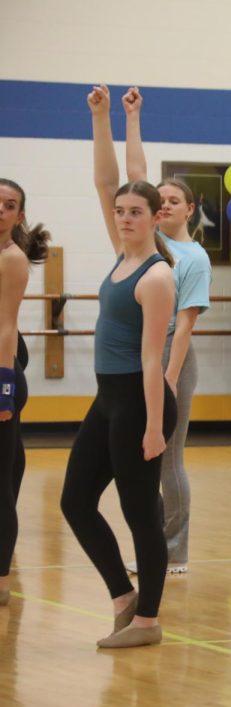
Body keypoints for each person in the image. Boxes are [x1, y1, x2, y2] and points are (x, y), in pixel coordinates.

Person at [62, 84, 177, 648]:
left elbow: (153, 358)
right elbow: (112, 179)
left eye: (136, 212)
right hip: (109, 398)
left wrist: (155, 426)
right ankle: (122, 596)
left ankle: (149, 620)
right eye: (121, 213)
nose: (125, 217)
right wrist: (107, 117)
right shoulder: (122, 253)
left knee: (139, 512)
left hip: (140, 399)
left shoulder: (155, 274)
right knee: (75, 500)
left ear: (155, 217)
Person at [122, 87, 212, 575]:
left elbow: (186, 326)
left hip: (175, 360)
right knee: (142, 457)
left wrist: (170, 377)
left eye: (175, 201)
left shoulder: (192, 257)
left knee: (169, 458)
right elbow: (136, 178)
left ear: (190, 210)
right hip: (141, 355)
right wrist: (133, 119)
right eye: (162, 200)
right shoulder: (149, 246)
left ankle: (174, 551)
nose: (166, 206)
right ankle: (152, 545)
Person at [0, 179, 47, 606]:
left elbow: (6, 329)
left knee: (2, 481)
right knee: (10, 466)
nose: (0, 209)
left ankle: (1, 579)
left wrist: (4, 390)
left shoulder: (12, 259)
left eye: (8, 205)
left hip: (2, 372)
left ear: (18, 216)